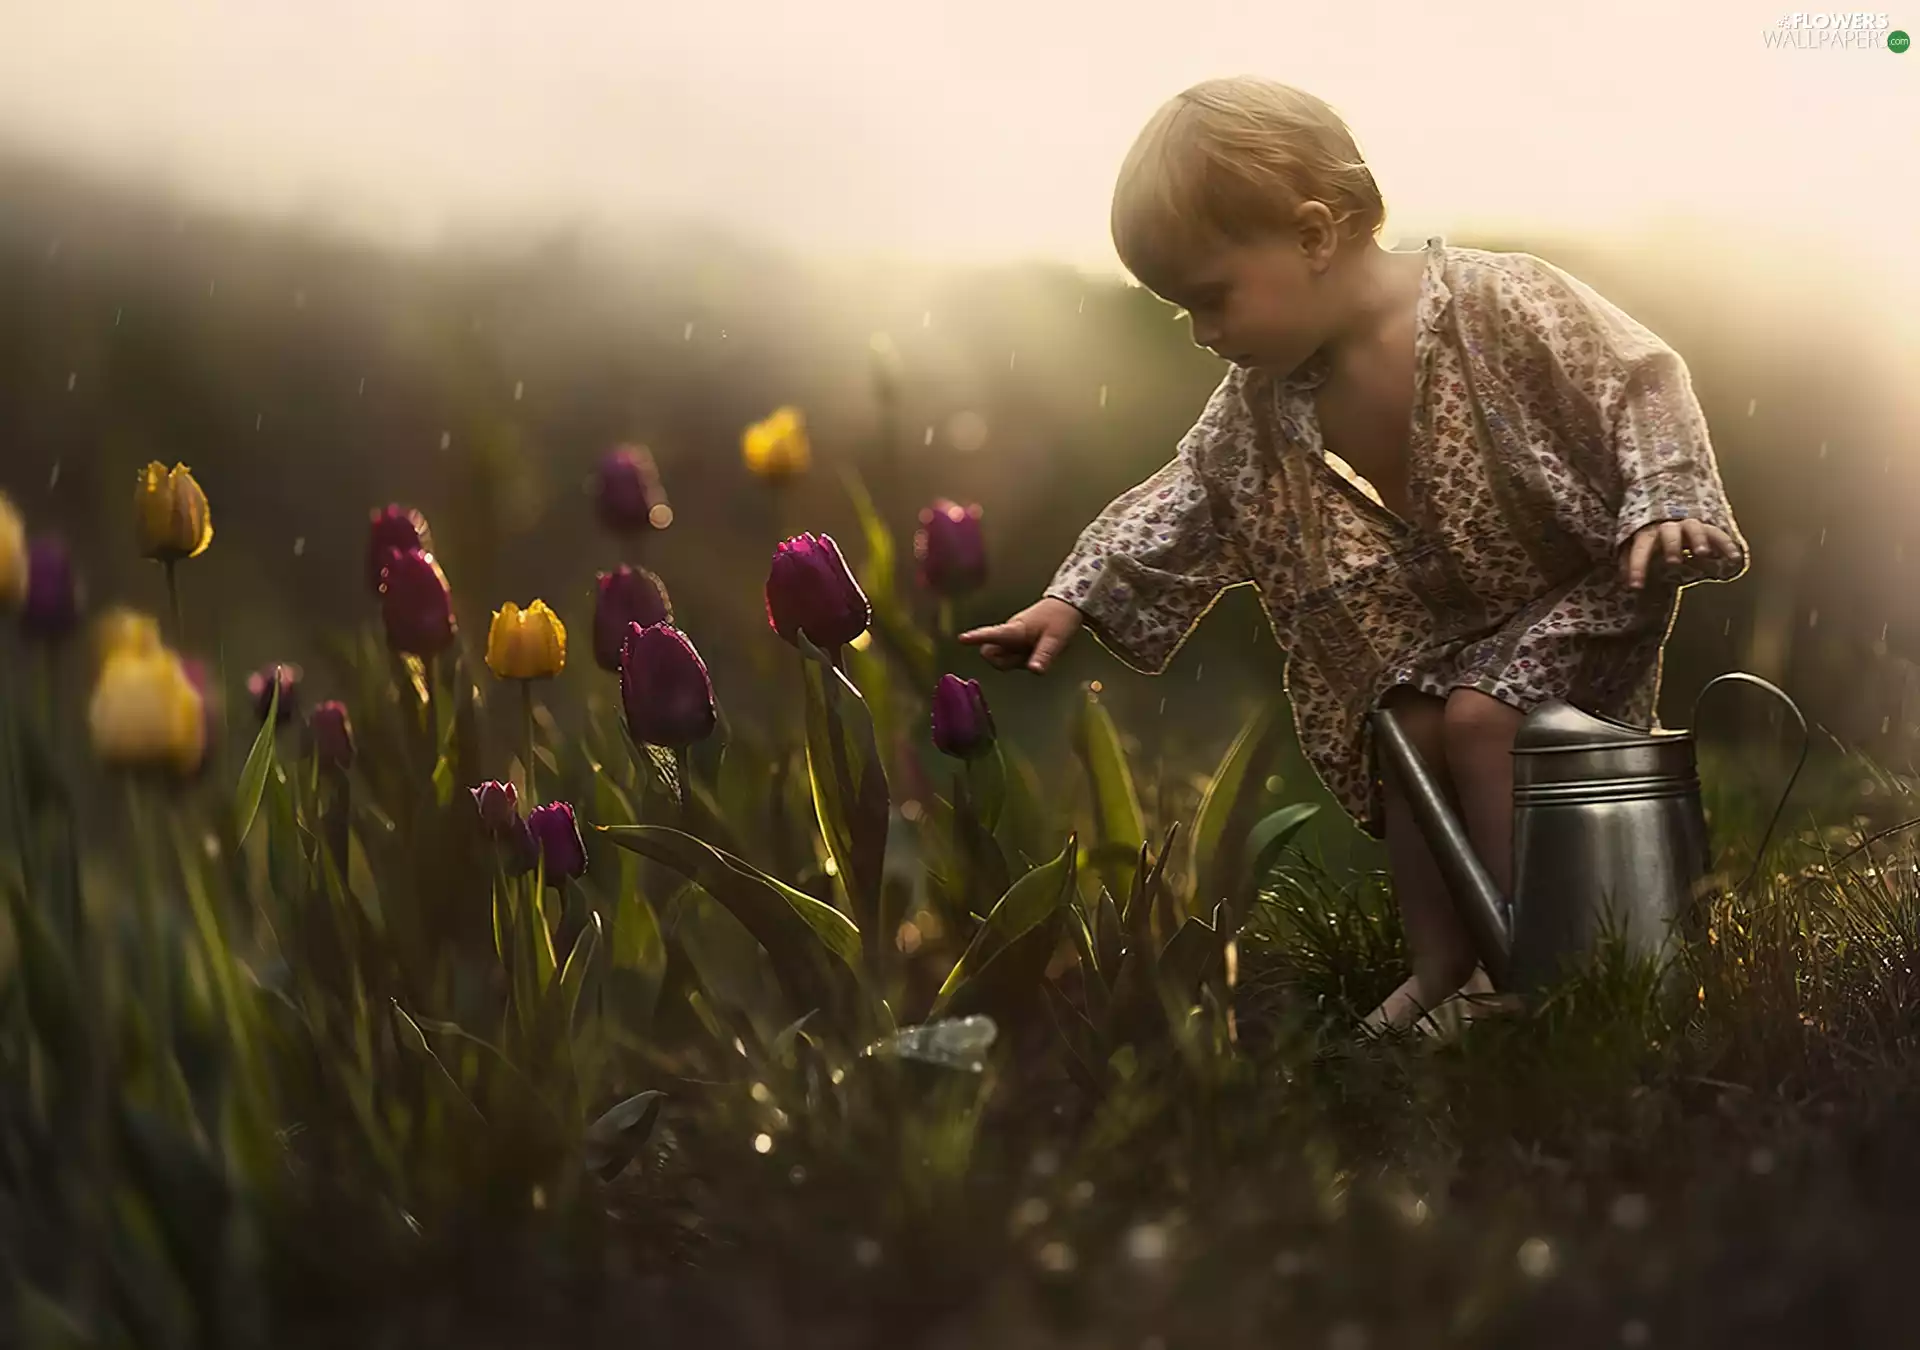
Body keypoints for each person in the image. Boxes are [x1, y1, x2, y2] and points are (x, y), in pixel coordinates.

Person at [957, 75, 1749, 1034]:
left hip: (1583, 585)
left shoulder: (1501, 300)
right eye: (1184, 316)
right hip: (1456, 626)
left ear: (1313, 235)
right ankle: (1444, 962)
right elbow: (1196, 489)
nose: (1207, 336)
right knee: (1407, 723)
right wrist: (1075, 597)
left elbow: (1635, 378)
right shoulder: (1271, 390)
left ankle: (1534, 969)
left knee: (1479, 719)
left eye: (1212, 300)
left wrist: (1665, 500)